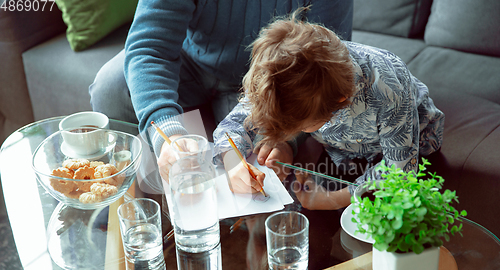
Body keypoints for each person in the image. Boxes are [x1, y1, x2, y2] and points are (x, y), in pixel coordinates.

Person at [89, 0, 354, 182]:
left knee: (264, 172)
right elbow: (149, 46)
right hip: (189, 64)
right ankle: (140, 210)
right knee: (110, 88)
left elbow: (325, 70)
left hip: (271, 86)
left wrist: (286, 138)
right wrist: (167, 134)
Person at [212, 9, 444, 211]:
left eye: (301, 126)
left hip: (415, 145)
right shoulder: (278, 74)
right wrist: (235, 163)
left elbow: (400, 173)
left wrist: (331, 200)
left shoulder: (389, 88)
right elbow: (233, 125)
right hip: (341, 151)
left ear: (341, 102)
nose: (296, 130)